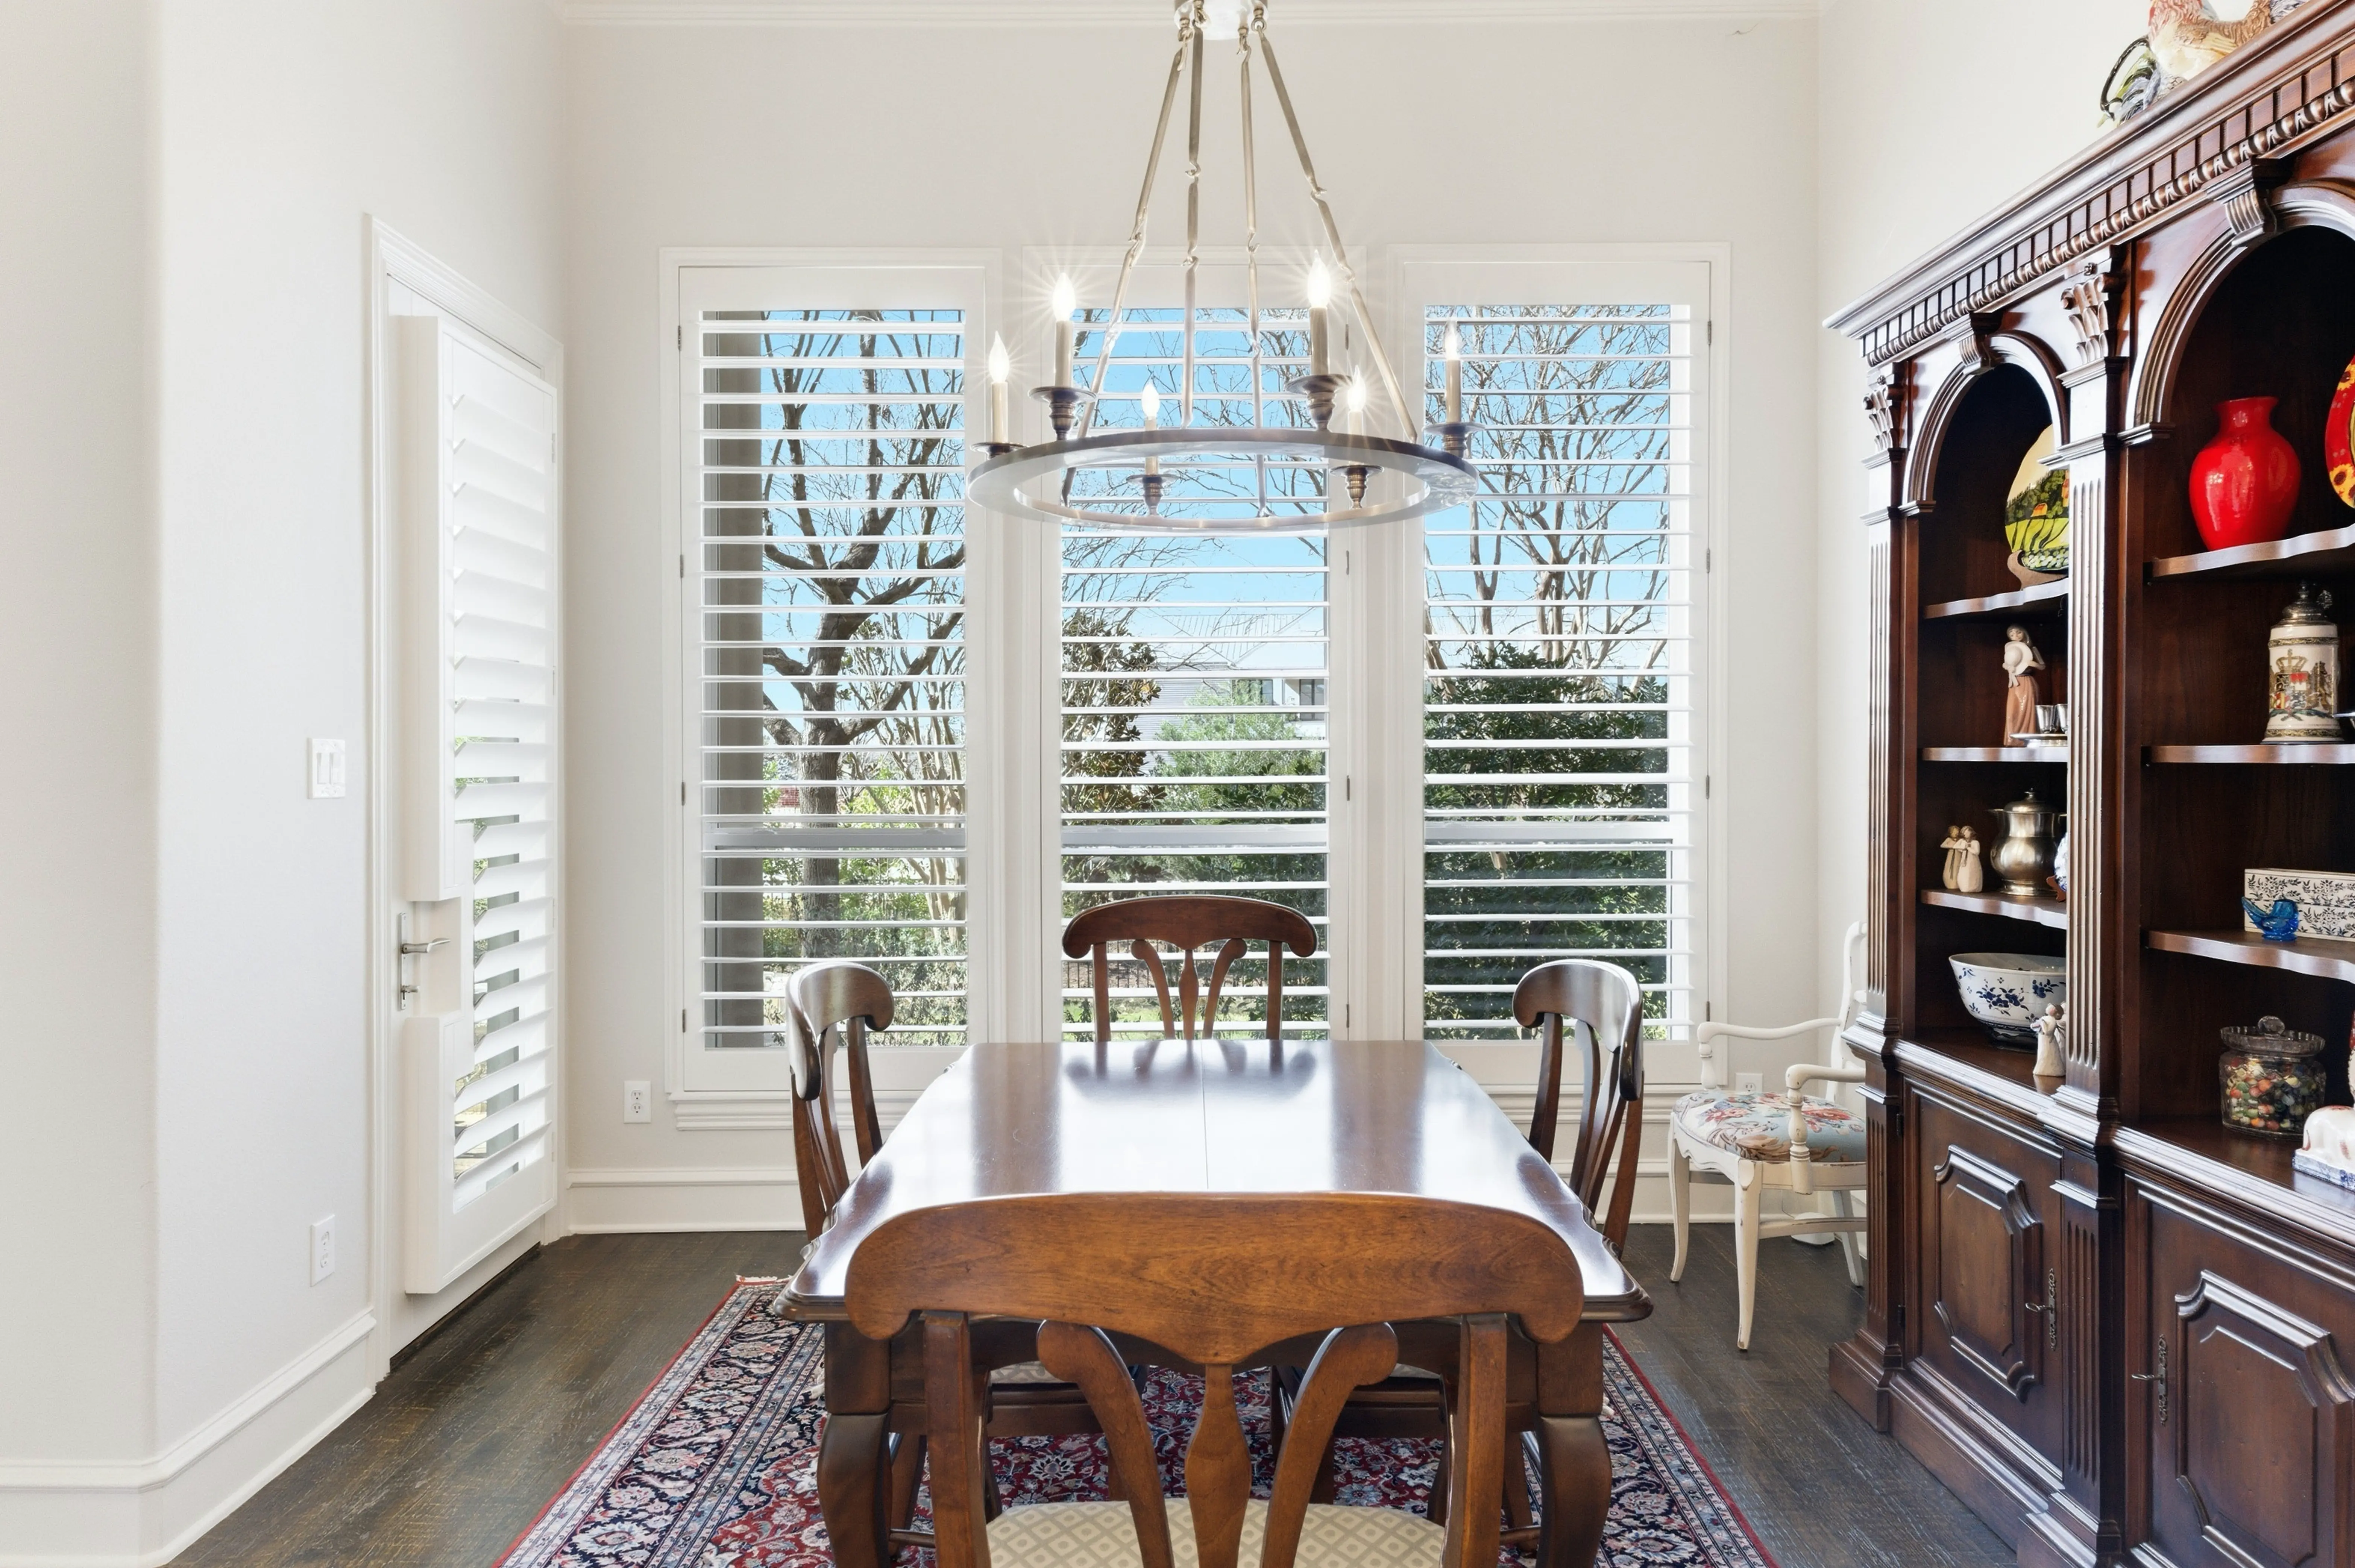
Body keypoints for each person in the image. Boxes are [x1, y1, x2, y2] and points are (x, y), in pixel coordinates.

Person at [2002, 625, 2045, 747]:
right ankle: (2012, 739)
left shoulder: (2032, 649)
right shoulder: (2012, 651)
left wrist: (2034, 664)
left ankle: (2028, 738)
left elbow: (2042, 666)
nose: (2016, 636)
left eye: (2018, 633)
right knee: (2013, 711)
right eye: (2012, 635)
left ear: (2024, 633)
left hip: (2026, 682)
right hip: (2015, 683)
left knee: (2027, 710)